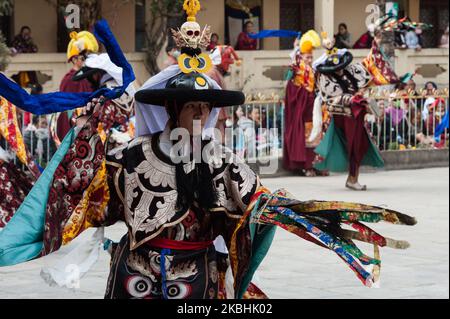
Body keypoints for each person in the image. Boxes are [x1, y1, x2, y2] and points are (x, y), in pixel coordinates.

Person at [0, 3, 416, 300]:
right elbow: (85, 198)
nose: (200, 113)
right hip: (134, 278)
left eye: (206, 106)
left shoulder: (223, 161)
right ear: (171, 109)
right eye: (192, 106)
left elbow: (255, 204)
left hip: (199, 282)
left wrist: (297, 212)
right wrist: (92, 128)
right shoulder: (132, 157)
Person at [313, 29, 399, 190]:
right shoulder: (326, 78)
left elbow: (367, 68)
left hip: (357, 114)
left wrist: (376, 44)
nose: (339, 68)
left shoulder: (350, 70)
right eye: (335, 66)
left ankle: (353, 178)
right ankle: (352, 179)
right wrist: (353, 98)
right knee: (353, 146)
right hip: (344, 117)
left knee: (360, 146)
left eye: (340, 65)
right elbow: (330, 98)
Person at [284, 30, 326, 177]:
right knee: (307, 139)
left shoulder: (313, 70)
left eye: (311, 57)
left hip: (313, 108)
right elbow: (290, 86)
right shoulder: (296, 69)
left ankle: (317, 166)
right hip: (302, 110)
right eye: (307, 57)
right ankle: (307, 167)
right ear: (301, 56)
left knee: (317, 137)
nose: (309, 59)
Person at [55, 31, 99, 145]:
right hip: (75, 123)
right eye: (82, 58)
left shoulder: (88, 76)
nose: (86, 60)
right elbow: (67, 107)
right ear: (74, 59)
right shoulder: (69, 79)